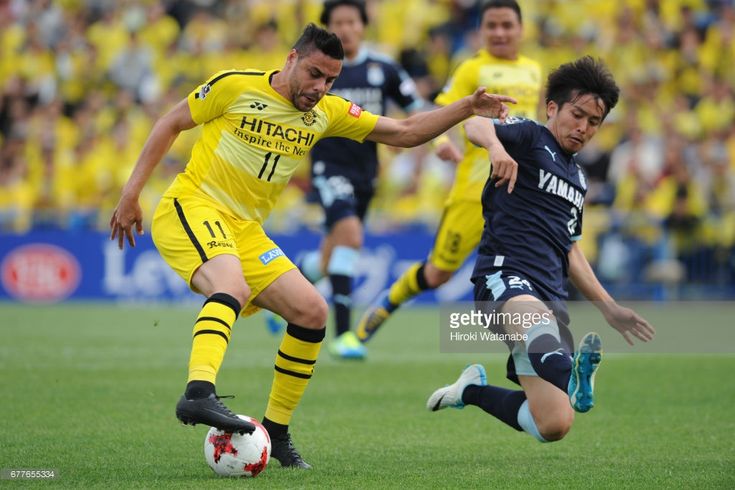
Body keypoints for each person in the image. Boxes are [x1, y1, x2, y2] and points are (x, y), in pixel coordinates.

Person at [109, 23, 513, 469]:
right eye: (315, 74)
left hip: (246, 230)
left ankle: (276, 434)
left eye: (330, 80)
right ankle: (198, 394)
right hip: (194, 206)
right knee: (232, 284)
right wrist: (131, 194)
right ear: (290, 59)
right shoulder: (234, 86)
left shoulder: (327, 112)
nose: (320, 88)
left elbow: (406, 131)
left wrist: (466, 108)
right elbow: (171, 122)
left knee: (312, 312)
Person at [426, 56, 655, 443]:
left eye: (593, 122)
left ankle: (469, 390)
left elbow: (571, 250)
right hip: (505, 276)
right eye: (576, 114)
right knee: (538, 327)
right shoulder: (530, 136)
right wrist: (497, 149)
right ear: (553, 108)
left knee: (552, 425)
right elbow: (475, 124)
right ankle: (576, 375)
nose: (582, 128)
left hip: (550, 294)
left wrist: (608, 306)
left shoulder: (578, 179)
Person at [356, 0, 542, 346]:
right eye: (492, 26)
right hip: (475, 190)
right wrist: (439, 142)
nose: (500, 33)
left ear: (521, 29)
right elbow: (441, 112)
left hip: (521, 190)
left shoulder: (534, 69)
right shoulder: (472, 69)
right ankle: (388, 301)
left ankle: (538, 348)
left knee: (529, 272)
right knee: (439, 272)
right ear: (481, 31)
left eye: (507, 25)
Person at [297, 0, 424, 359]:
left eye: (352, 21)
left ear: (363, 25)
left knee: (329, 257)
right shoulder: (316, 70)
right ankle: (343, 335)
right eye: (338, 23)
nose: (346, 29)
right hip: (328, 166)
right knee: (350, 237)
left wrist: (439, 143)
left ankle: (288, 286)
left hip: (366, 173)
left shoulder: (384, 68)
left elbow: (416, 112)